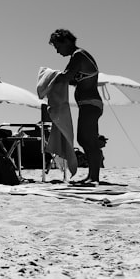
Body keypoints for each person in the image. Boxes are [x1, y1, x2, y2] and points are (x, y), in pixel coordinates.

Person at [49, 28, 102, 185]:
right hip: (89, 104)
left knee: (88, 140)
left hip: (90, 104)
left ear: (66, 41)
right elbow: (73, 79)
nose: (57, 51)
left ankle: (94, 177)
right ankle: (92, 175)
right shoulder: (78, 56)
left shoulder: (78, 56)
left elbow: (66, 77)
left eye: (57, 46)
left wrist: (48, 76)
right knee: (85, 139)